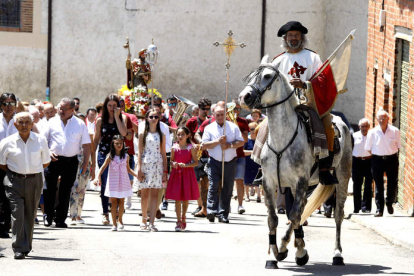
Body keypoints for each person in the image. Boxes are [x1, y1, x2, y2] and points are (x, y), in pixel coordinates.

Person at [0, 112, 51, 259]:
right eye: (20, 122)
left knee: (30, 213)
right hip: (14, 181)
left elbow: (45, 162)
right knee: (17, 214)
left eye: (27, 122)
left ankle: (26, 246)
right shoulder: (6, 142)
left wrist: (30, 171)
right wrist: (17, 172)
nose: (24, 125)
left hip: (34, 181)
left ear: (32, 124)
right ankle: (18, 248)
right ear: (15, 125)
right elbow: (2, 164)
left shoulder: (40, 140)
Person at [44, 98, 92, 228]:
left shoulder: (80, 124)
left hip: (71, 161)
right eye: (60, 108)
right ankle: (48, 216)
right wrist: (48, 152)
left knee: (65, 190)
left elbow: (87, 145)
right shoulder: (51, 122)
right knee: (49, 188)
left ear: (72, 110)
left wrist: (85, 163)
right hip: (53, 160)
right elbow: (43, 140)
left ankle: (60, 219)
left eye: (64, 109)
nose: (61, 111)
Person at [201, 105, 245, 223]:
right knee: (213, 185)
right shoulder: (209, 128)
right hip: (214, 161)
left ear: (225, 115)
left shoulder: (233, 127)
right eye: (218, 115)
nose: (220, 117)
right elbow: (204, 145)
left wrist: (229, 145)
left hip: (230, 162)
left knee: (227, 188)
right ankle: (211, 210)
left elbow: (241, 141)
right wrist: (217, 142)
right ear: (214, 115)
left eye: (222, 115)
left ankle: (223, 214)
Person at [91, 94, 128, 225]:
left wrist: (117, 117)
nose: (112, 108)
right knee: (105, 184)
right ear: (105, 106)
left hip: (118, 156)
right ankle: (106, 213)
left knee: (117, 183)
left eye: (114, 105)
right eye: (110, 105)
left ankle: (116, 212)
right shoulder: (100, 120)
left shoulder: (122, 118)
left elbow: (124, 133)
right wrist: (92, 157)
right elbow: (96, 139)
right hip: (104, 154)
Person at [95, 135, 137, 231]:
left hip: (123, 180)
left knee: (121, 202)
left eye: (121, 143)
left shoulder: (126, 156)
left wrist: (137, 176)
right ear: (113, 144)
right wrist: (97, 177)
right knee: (113, 203)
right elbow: (102, 168)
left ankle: (120, 220)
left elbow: (128, 169)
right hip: (113, 182)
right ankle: (114, 224)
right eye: (117, 143)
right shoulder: (110, 156)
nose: (119, 145)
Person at [365, 110, 400, 217]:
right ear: (376, 119)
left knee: (392, 183)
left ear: (387, 119)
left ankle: (389, 203)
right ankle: (379, 209)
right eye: (379, 118)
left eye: (383, 118)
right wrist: (378, 154)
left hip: (392, 159)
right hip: (377, 160)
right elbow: (368, 148)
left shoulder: (395, 131)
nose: (381, 120)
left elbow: (398, 147)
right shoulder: (372, 132)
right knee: (378, 184)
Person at [137, 109, 168, 231]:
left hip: (157, 165)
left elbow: (163, 153)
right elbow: (139, 152)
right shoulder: (142, 134)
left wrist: (165, 171)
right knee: (145, 195)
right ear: (147, 118)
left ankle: (152, 222)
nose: (154, 119)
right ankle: (144, 219)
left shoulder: (162, 135)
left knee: (155, 195)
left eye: (156, 117)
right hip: (145, 164)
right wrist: (139, 168)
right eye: (151, 117)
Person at [165, 127, 199, 231]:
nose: (180, 136)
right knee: (177, 198)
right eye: (178, 134)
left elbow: (196, 162)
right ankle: (178, 220)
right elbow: (170, 161)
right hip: (176, 174)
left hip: (187, 174)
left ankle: (184, 217)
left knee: (185, 198)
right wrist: (173, 164)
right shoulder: (174, 147)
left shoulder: (190, 148)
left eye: (182, 134)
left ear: (188, 135)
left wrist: (186, 165)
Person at [185, 97, 211, 217]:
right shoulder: (191, 122)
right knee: (198, 182)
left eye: (208, 109)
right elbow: (186, 136)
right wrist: (193, 145)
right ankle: (200, 205)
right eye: (204, 109)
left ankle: (205, 206)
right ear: (198, 109)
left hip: (208, 154)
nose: (206, 111)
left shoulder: (211, 121)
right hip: (196, 155)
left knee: (206, 181)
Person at [0, 92, 19, 239]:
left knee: (9, 196)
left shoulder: (20, 121)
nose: (8, 107)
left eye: (12, 103)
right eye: (5, 103)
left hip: (13, 164)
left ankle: (5, 227)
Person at [231, 99, 249, 214]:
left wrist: (236, 125)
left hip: (240, 155)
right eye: (234, 108)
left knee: (239, 180)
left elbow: (245, 139)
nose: (237, 111)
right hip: (227, 155)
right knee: (226, 182)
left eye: (239, 109)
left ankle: (240, 205)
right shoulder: (225, 121)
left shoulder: (243, 122)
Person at [352, 118, 373, 213]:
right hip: (357, 161)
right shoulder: (354, 136)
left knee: (368, 185)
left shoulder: (372, 136)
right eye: (362, 126)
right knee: (357, 185)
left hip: (369, 161)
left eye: (366, 126)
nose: (364, 128)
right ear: (359, 126)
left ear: (369, 127)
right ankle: (357, 207)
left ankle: (366, 207)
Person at [244, 122, 261, 202]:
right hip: (248, 162)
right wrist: (252, 152)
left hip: (257, 162)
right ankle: (247, 196)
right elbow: (242, 151)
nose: (253, 131)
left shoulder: (259, 140)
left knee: (257, 179)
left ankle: (259, 196)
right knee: (246, 180)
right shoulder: (246, 139)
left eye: (255, 129)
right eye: (251, 129)